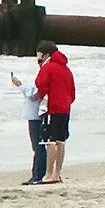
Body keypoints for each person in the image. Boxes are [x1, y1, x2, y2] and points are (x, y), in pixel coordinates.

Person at [33, 42, 74, 185]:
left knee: (50, 140)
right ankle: (57, 173)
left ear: (45, 54)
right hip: (65, 108)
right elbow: (72, 92)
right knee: (61, 140)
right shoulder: (66, 69)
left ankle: (49, 173)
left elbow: (40, 84)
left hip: (52, 107)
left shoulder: (48, 68)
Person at [12, 63, 47, 186]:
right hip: (37, 115)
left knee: (38, 146)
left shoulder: (43, 80)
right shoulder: (43, 79)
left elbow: (32, 95)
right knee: (38, 146)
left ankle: (38, 175)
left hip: (36, 116)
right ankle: (37, 174)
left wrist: (20, 85)